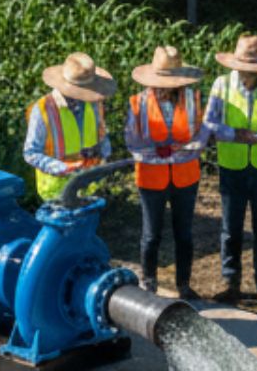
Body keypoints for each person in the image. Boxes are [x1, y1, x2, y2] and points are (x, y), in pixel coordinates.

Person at [204, 35, 257, 305]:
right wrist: (234, 133)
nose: (245, 73)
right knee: (231, 227)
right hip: (233, 165)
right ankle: (231, 282)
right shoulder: (222, 84)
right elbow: (209, 123)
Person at [125, 45, 208, 299]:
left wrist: (178, 151)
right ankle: (149, 283)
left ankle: (184, 284)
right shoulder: (138, 103)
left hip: (185, 176)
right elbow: (132, 142)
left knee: (184, 234)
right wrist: (155, 151)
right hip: (151, 178)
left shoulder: (193, 99)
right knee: (151, 235)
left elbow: (202, 137)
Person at [23, 53, 113, 203]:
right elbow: (31, 152)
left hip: (89, 186)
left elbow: (101, 134)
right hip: (56, 191)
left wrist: (104, 153)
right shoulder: (42, 110)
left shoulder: (94, 103)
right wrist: (63, 167)